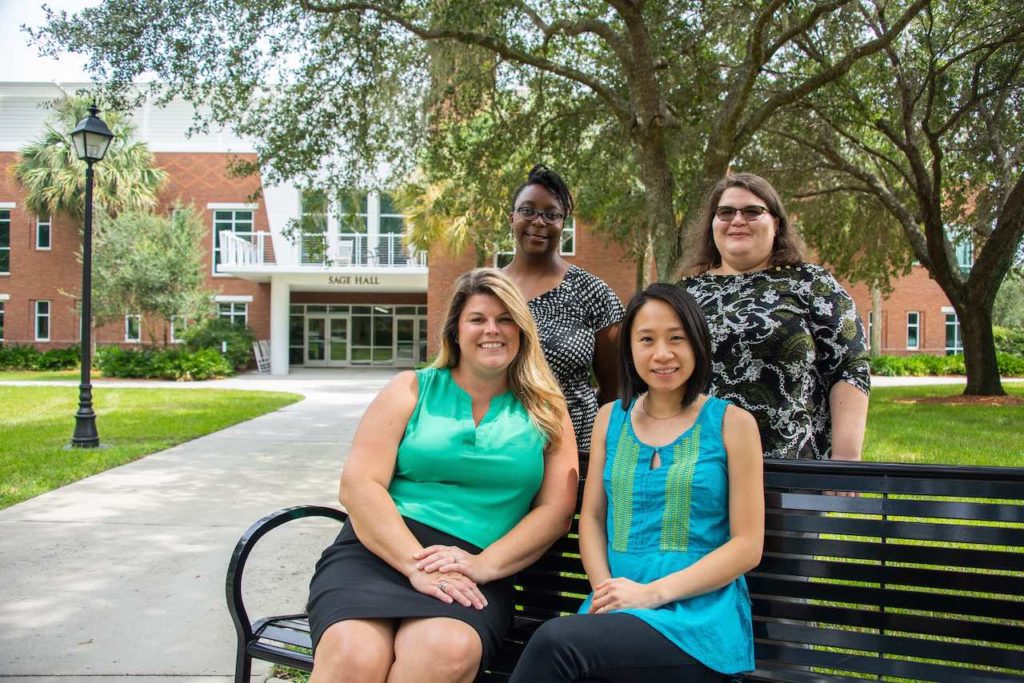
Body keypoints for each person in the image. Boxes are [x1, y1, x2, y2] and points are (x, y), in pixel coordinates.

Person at [306, 268, 578, 683]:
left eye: (506, 319)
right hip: (379, 552)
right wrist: (416, 565)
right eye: (478, 319)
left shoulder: (547, 409)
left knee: (443, 652)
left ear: (522, 331)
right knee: (351, 657)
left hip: (475, 566)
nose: (493, 330)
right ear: (455, 330)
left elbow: (556, 510)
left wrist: (485, 565)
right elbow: (359, 485)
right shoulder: (411, 389)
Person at [509, 283, 765, 682]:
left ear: (697, 343)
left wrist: (652, 594)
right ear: (629, 349)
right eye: (646, 340)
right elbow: (592, 518)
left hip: (696, 622)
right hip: (616, 611)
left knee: (554, 644)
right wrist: (606, 591)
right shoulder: (610, 419)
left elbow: (747, 546)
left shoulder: (733, 424)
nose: (662, 354)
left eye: (676, 339)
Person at [678, 172, 871, 460]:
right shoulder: (685, 293)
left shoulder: (810, 283)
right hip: (699, 467)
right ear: (712, 224)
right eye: (726, 212)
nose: (737, 220)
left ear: (776, 223)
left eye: (753, 211)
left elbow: (850, 365)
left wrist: (845, 457)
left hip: (791, 468)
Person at [503, 163, 625, 452]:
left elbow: (614, 390)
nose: (539, 221)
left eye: (551, 214)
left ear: (563, 224)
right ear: (512, 218)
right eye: (528, 210)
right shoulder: (488, 290)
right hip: (500, 446)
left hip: (573, 447)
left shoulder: (593, 292)